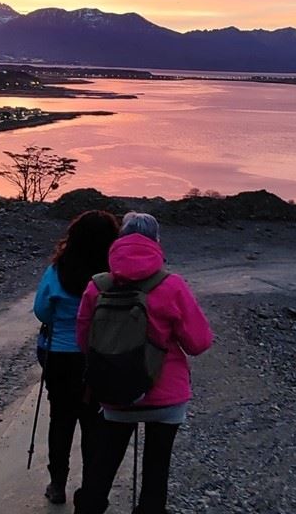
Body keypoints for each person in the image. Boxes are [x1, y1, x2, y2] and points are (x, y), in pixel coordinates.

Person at [74, 212, 213, 514]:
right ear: (157, 241)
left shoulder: (97, 286)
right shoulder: (172, 285)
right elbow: (198, 343)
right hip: (166, 398)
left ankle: (89, 507)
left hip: (114, 393)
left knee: (104, 462)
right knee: (157, 465)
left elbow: (85, 342)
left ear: (120, 240)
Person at [34, 210, 121, 504]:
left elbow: (42, 310)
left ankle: (57, 484)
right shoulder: (113, 275)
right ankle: (90, 489)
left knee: (61, 419)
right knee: (94, 425)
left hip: (59, 355)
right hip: (98, 356)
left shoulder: (57, 270)